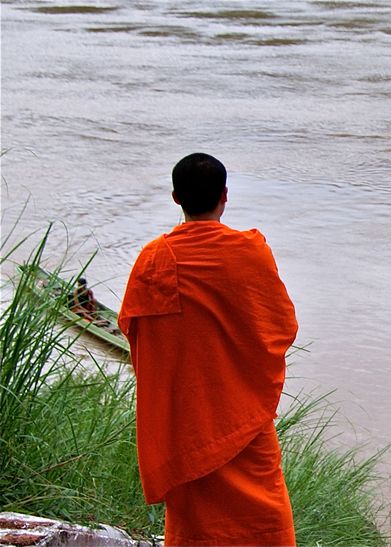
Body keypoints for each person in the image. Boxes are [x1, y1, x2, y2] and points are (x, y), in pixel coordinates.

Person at [118, 153, 299, 546]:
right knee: (264, 515)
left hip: (186, 422)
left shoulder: (154, 259)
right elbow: (280, 327)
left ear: (175, 197)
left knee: (194, 524)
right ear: (225, 196)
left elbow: (138, 336)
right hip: (243, 415)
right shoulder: (250, 253)